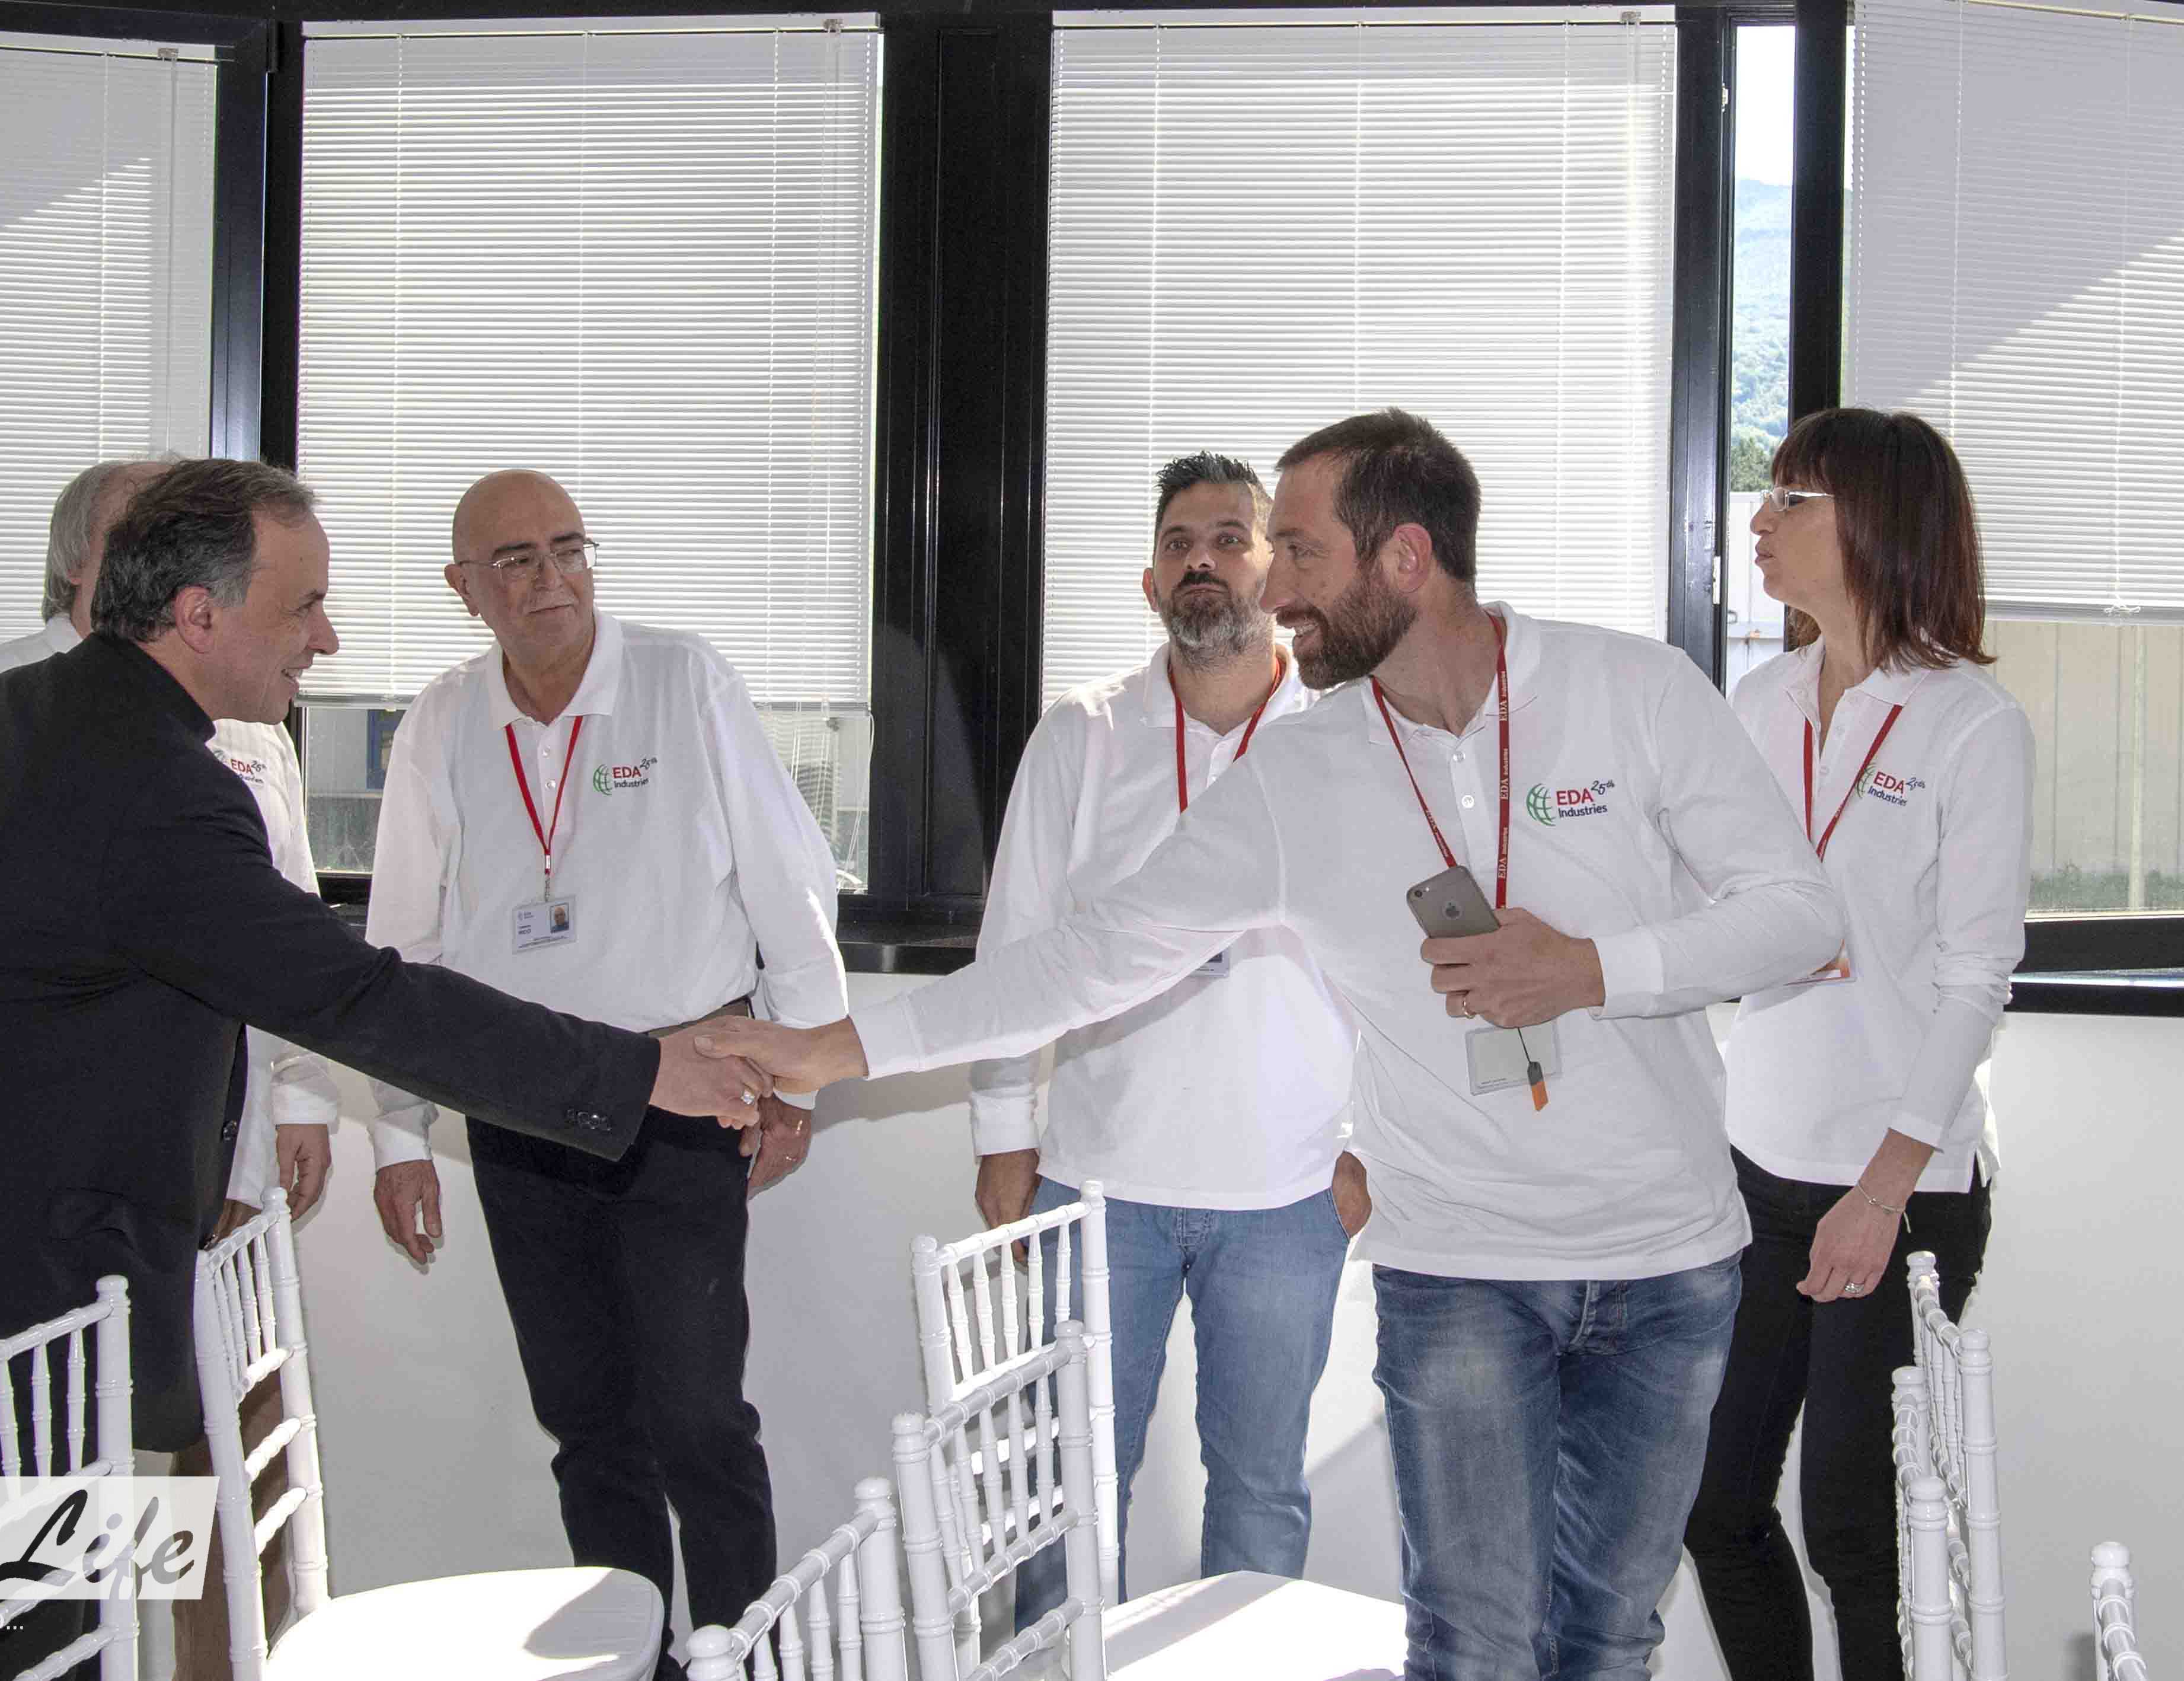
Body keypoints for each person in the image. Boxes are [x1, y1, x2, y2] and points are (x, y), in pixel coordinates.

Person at [703, 410, 1846, 1681]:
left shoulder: (1633, 689)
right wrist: (837, 1046)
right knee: (1474, 1645)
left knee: (1607, 1639)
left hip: (1666, 1256)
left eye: (1299, 552)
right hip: (1457, 1267)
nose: (1275, 588)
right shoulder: (1302, 771)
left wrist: (1591, 969)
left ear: (1404, 557)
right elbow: (1087, 956)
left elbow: (1801, 918)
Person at [0, 458, 768, 1680]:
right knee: (20, 1645)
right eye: (303, 607)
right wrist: (637, 1069)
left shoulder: (8, 717)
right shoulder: (150, 788)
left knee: (3, 1631)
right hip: (9, 1315)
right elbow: (355, 995)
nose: (326, 639)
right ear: (198, 614)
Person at [365, 469, 847, 1681]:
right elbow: (402, 946)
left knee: (697, 1420)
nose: (551, 580)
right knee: (586, 1425)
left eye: (568, 549)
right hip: (521, 1107)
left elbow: (787, 878)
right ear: (463, 589)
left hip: (684, 1094)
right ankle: (630, 1665)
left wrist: (798, 1079)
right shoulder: (441, 719)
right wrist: (397, 1135)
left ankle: (741, 1660)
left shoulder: (681, 679)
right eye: (516, 560)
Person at [976, 451, 1355, 1622]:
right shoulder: (1082, 734)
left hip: (1287, 1187)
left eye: (1230, 538)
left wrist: (1373, 1148)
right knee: (1065, 1496)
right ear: (1149, 582)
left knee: (1259, 1493)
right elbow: (1015, 948)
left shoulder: (1347, 735)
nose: (1203, 560)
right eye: (1179, 542)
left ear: (1275, 571)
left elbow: (1404, 963)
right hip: (1098, 1182)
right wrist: (1003, 1137)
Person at [1685, 409, 2028, 1681]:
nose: (1758, 521)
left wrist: (1882, 1192)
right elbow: (1716, 906)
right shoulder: (1757, 702)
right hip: (1759, 1166)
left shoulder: (1968, 724)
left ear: (1875, 522)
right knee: (1715, 1503)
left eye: (1791, 499)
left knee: (1852, 1527)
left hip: (1901, 1181)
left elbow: (1975, 978)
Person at [0, 458, 339, 1228]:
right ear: (79, 562)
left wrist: (292, 1105)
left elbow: (290, 928)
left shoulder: (254, 719)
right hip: (3, 1195)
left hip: (193, 1160)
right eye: (144, 532)